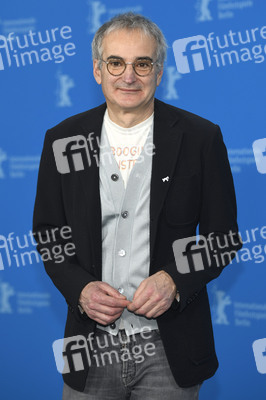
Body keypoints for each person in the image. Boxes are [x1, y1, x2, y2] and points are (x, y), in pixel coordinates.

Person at [33, 12, 242, 400]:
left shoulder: (200, 138)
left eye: (142, 63)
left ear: (159, 72)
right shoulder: (62, 140)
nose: (128, 76)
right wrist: (79, 289)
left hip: (170, 348)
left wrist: (174, 281)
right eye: (116, 63)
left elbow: (223, 238)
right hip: (90, 346)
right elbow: (48, 235)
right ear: (98, 70)